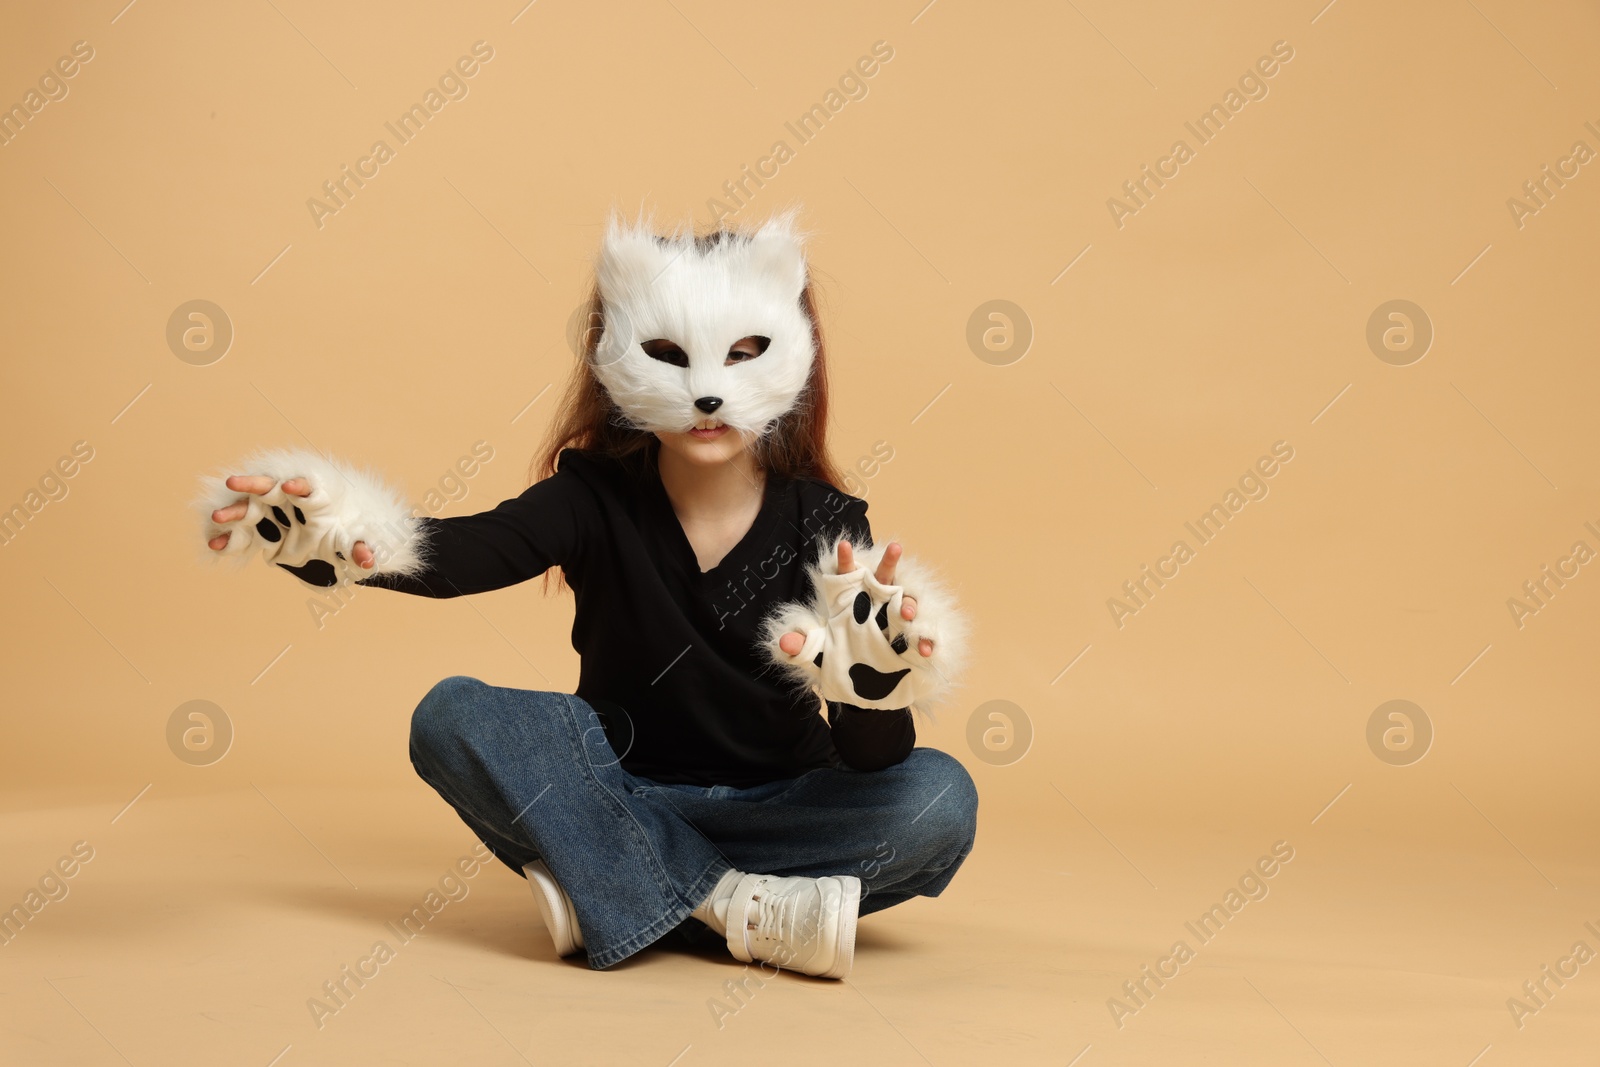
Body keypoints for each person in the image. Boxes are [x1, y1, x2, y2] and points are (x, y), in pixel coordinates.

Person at [194, 208, 976, 980]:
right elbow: (455, 555)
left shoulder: (827, 522)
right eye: (670, 354)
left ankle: (620, 883)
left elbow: (878, 760)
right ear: (614, 355)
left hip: (778, 810)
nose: (708, 392)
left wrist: (874, 691)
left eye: (743, 353)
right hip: (613, 787)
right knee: (451, 715)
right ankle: (735, 907)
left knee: (940, 798)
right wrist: (333, 535)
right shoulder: (590, 498)